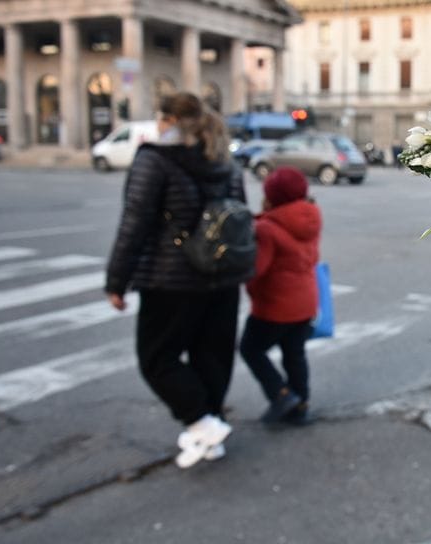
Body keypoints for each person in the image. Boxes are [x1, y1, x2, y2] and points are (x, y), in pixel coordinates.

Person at [105, 92, 250, 469]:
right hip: (222, 278)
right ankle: (210, 430)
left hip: (172, 280)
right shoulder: (225, 162)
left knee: (157, 358)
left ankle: (202, 423)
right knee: (213, 357)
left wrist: (116, 281)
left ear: (168, 121)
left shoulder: (155, 161)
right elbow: (240, 219)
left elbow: (134, 224)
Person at [240, 167, 322, 425]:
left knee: (250, 349)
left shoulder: (267, 227)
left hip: (275, 306)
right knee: (294, 354)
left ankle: (280, 394)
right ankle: (302, 405)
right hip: (306, 302)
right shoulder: (311, 217)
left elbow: (258, 269)